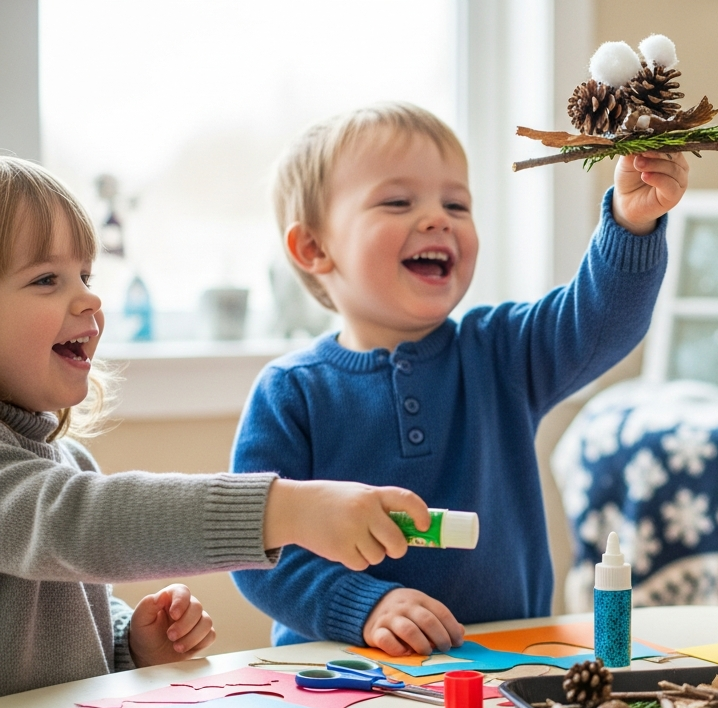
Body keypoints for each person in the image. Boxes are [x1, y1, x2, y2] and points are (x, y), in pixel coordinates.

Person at [231, 103, 689, 655]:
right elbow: (254, 549)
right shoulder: (290, 393)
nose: (438, 219)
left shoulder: (502, 350)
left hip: (509, 663)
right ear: (313, 248)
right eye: (398, 202)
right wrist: (363, 606)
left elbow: (601, 322)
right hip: (341, 672)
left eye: (456, 204)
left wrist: (631, 223)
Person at [0, 156, 436, 697]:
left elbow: (69, 613)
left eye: (85, 276)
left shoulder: (68, 460)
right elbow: (80, 523)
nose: (90, 298)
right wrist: (289, 511)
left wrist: (130, 643)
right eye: (46, 279)